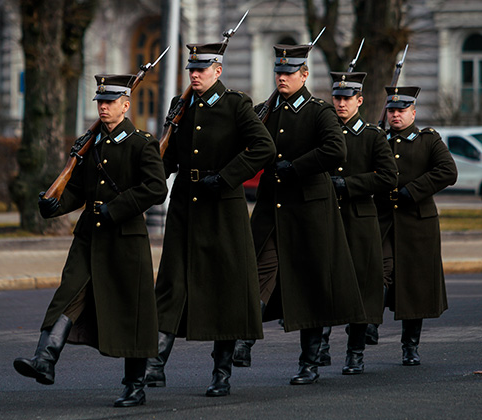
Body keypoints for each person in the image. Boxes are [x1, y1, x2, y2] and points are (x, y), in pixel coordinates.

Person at [13, 74, 168, 407]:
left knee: (131, 311)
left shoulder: (142, 143)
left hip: (125, 238)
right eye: (100, 102)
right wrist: (55, 205)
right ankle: (45, 359)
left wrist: (116, 208)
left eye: (110, 102)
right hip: (89, 236)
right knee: (67, 294)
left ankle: (134, 385)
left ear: (126, 106)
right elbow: (78, 190)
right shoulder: (91, 142)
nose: (103, 107)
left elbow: (157, 188)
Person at [144, 42, 276, 397]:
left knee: (226, 288)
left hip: (223, 207)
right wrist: (149, 179)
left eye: (202, 69)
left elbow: (264, 147)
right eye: (191, 70)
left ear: (218, 70)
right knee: (172, 282)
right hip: (186, 206)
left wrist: (228, 176)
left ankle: (221, 373)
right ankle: (154, 365)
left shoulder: (236, 104)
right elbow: (169, 157)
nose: (195, 75)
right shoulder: (180, 105)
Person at [235, 43, 367, 385]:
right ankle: (244, 339)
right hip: (272, 208)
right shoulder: (266, 109)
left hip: (309, 209)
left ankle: (309, 363)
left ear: (304, 75)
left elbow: (334, 150)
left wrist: (295, 167)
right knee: (256, 271)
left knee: (309, 285)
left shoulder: (318, 111)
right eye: (278, 72)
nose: (281, 77)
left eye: (288, 73)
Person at [316, 71, 398, 374]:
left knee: (362, 289)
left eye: (346, 98)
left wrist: (349, 185)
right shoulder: (323, 132)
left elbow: (388, 177)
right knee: (324, 283)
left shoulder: (372, 135)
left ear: (359, 101)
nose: (340, 103)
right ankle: (319, 347)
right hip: (328, 218)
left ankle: (355, 352)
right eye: (336, 98)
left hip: (360, 220)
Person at [374, 86, 457, 366]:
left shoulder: (428, 140)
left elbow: (448, 171)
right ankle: (370, 324)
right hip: (383, 218)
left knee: (414, 286)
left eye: (401, 110)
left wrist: (414, 190)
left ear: (413, 112)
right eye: (392, 110)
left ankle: (410, 346)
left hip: (417, 223)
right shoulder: (379, 138)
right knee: (378, 272)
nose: (396, 115)